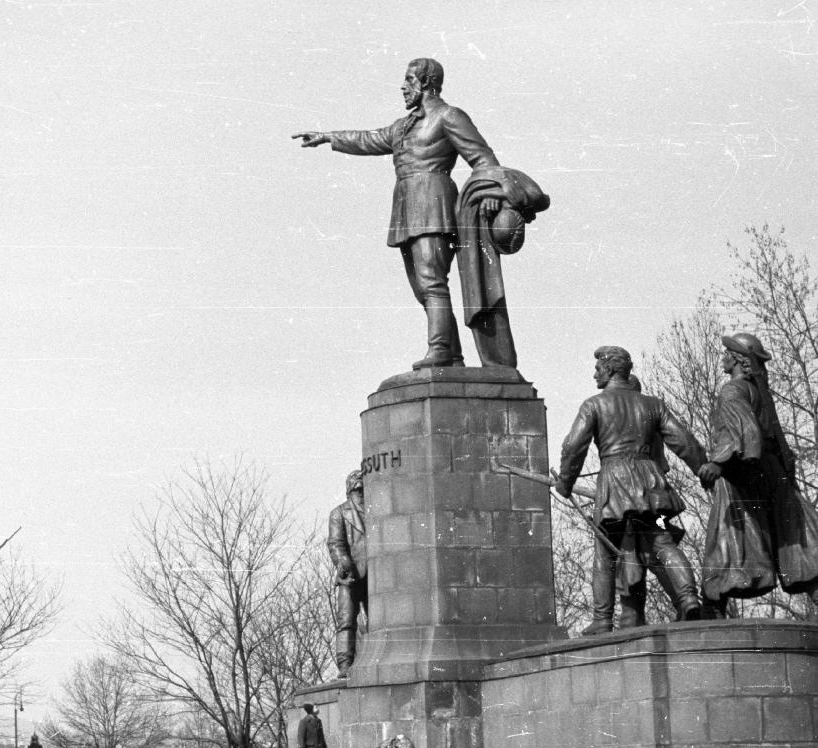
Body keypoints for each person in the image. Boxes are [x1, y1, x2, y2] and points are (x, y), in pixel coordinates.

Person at [294, 58, 514, 370]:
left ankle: (439, 349)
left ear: (426, 82)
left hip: (434, 200)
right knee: (422, 287)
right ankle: (451, 354)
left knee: (432, 280)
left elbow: (483, 158)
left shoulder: (449, 116)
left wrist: (491, 191)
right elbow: (370, 139)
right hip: (407, 206)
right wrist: (330, 137)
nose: (403, 87)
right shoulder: (403, 125)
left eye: (409, 80)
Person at [556, 346, 710, 633]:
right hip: (650, 484)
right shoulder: (653, 404)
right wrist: (702, 468)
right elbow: (683, 440)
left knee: (605, 552)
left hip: (615, 482)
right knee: (661, 541)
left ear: (611, 369)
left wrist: (565, 482)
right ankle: (688, 598)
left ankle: (602, 619)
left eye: (598, 368)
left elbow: (573, 446)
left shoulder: (594, 404)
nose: (595, 374)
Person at [697, 333, 818, 625]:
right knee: (793, 536)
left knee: (725, 538)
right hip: (773, 472)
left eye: (726, 353)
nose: (722, 357)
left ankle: (711, 612)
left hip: (740, 473)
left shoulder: (732, 390)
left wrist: (717, 463)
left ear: (736, 358)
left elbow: (744, 431)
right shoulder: (761, 392)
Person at [327, 470, 367, 673]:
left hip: (373, 576)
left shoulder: (376, 511)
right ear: (350, 490)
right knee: (346, 621)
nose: (361, 493)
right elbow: (335, 543)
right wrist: (344, 563)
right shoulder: (339, 513)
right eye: (358, 489)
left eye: (363, 489)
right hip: (350, 575)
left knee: (373, 621)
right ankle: (345, 665)